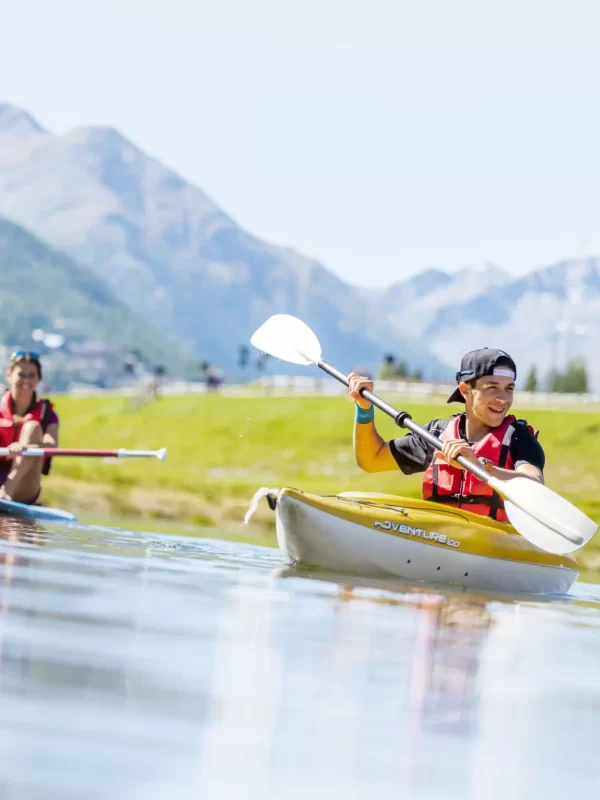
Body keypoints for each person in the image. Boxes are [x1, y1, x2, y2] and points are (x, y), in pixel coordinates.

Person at [348, 348, 544, 523]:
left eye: (509, 388)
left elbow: (533, 485)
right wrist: (364, 409)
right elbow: (371, 460)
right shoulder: (438, 436)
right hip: (442, 542)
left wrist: (478, 467)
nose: (503, 398)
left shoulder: (519, 438)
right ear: (465, 390)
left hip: (497, 548)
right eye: (492, 388)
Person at [0, 352, 59, 504]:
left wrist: (24, 447)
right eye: (21, 375)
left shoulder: (48, 414)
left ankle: (7, 491)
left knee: (32, 427)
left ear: (38, 379)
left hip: (24, 486)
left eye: (32, 375)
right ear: (9, 376)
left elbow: (51, 444)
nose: (26, 380)